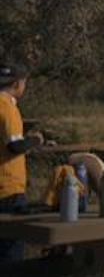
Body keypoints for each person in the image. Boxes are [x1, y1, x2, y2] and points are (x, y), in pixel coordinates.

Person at [0, 63, 47, 264]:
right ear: (18, 83)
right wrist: (36, 140)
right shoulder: (8, 108)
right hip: (8, 188)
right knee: (10, 252)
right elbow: (14, 147)